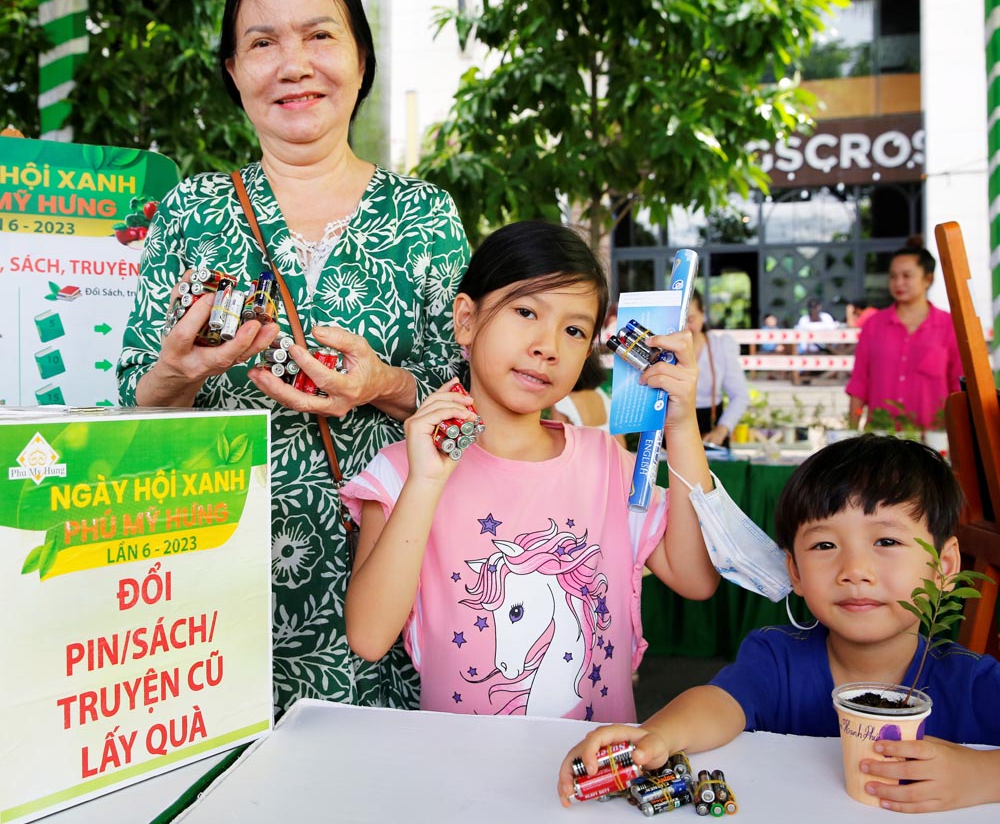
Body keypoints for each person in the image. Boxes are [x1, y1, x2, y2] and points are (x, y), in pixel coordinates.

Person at [117, 0, 470, 716]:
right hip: (212, 591)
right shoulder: (191, 212)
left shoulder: (425, 217)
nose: (294, 65)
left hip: (390, 581)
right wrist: (178, 371)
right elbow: (134, 409)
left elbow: (470, 407)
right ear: (234, 70)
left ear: (360, 57)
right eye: (262, 42)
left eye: (319, 35)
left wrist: (383, 384)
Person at [341, 220, 719, 721]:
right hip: (458, 766)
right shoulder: (400, 473)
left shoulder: (607, 463)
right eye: (525, 312)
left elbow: (697, 578)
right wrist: (425, 482)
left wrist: (682, 424)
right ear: (466, 319)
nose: (548, 346)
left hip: (593, 763)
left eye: (574, 330)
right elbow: (368, 638)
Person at [558, 435, 1000, 813]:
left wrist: (982, 775)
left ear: (944, 566)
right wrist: (657, 735)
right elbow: (719, 703)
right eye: (825, 545)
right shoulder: (776, 658)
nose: (855, 570)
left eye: (886, 540)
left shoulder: (973, 683)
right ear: (795, 572)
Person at [847, 237, 962, 430]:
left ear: (928, 279)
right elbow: (859, 384)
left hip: (934, 438)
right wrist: (851, 431)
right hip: (881, 437)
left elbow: (959, 388)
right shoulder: (873, 325)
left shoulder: (950, 326)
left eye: (907, 276)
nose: (898, 283)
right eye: (893, 276)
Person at [687, 290, 749, 447]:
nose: (685, 328)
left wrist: (722, 429)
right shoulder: (663, 350)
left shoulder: (720, 346)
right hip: (671, 430)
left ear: (703, 314)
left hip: (712, 428)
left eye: (691, 319)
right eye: (679, 321)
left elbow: (740, 395)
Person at [548, 350, 625, 447]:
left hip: (581, 455)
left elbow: (558, 443)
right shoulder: (600, 394)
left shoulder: (561, 400)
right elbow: (620, 442)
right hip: (611, 453)